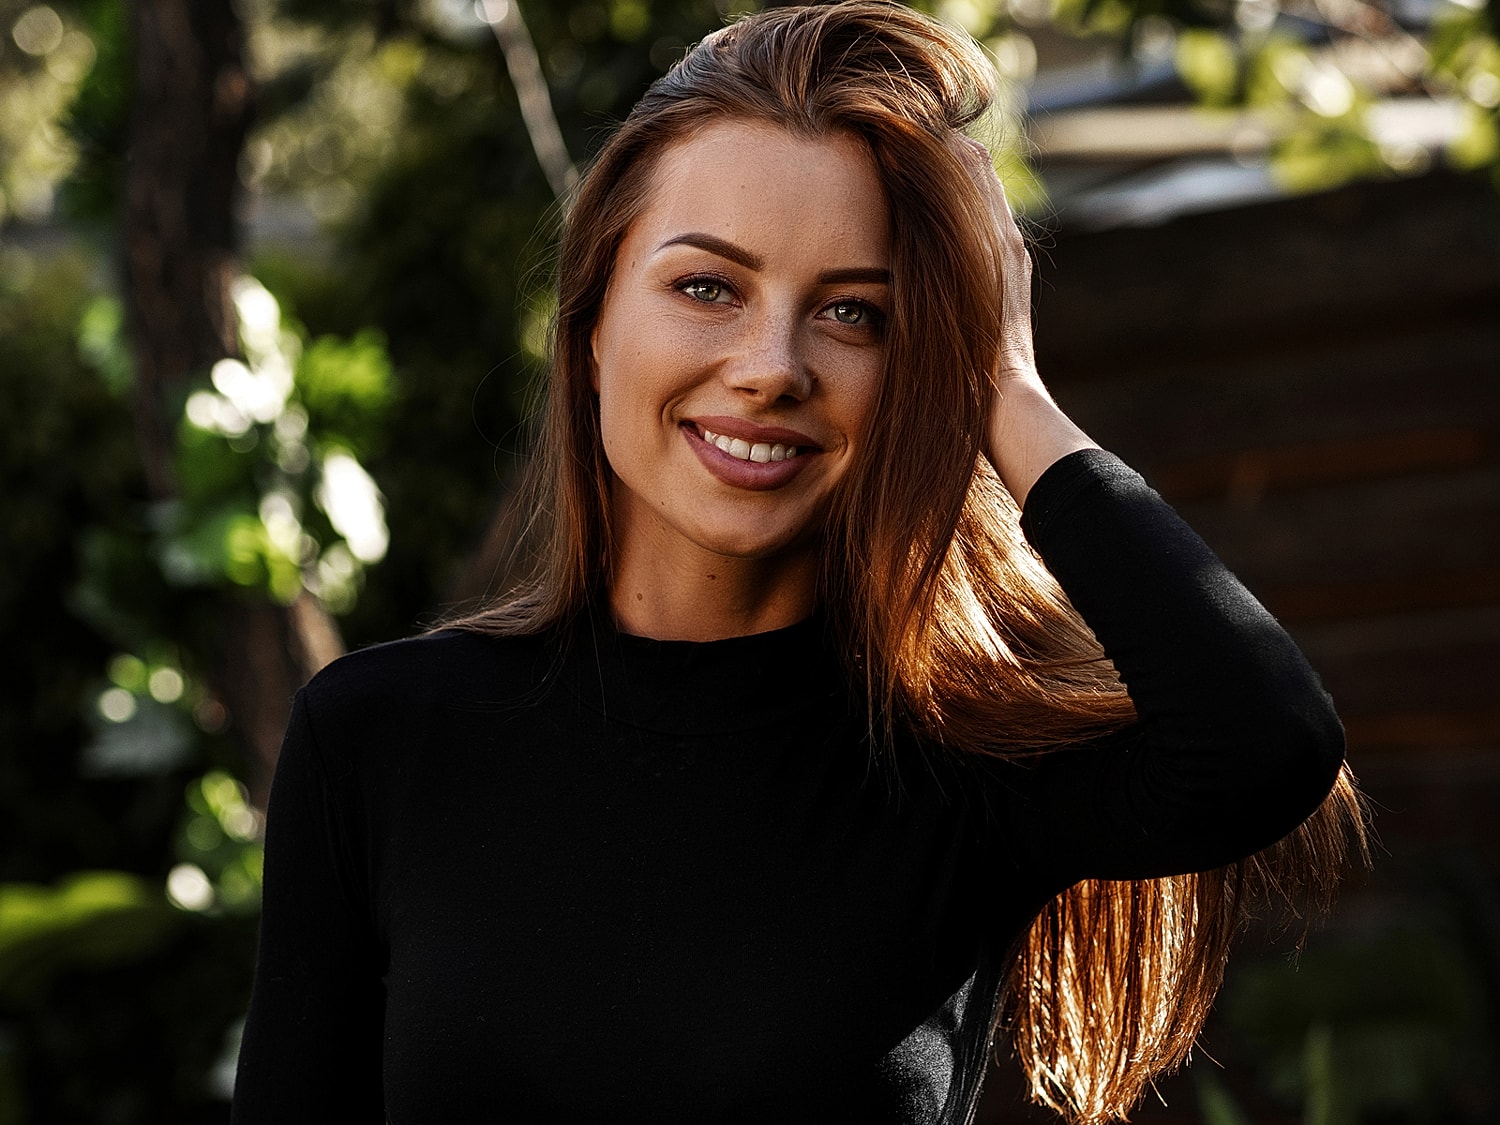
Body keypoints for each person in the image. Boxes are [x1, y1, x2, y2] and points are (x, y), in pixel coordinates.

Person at [230, 3, 1366, 1123]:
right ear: (589, 332)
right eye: (707, 287)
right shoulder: (378, 739)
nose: (771, 367)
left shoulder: (955, 769)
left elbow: (1266, 741)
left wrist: (1007, 388)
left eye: (856, 315)